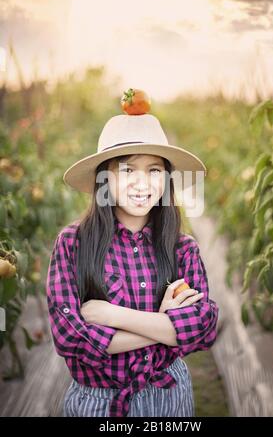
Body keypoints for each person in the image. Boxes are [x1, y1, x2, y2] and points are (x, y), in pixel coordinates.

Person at [46, 111, 219, 417]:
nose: (142, 183)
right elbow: (70, 336)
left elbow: (203, 327)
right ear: (105, 177)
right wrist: (164, 323)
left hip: (168, 397)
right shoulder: (74, 243)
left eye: (154, 170)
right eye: (127, 170)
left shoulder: (182, 247)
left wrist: (111, 314)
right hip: (97, 402)